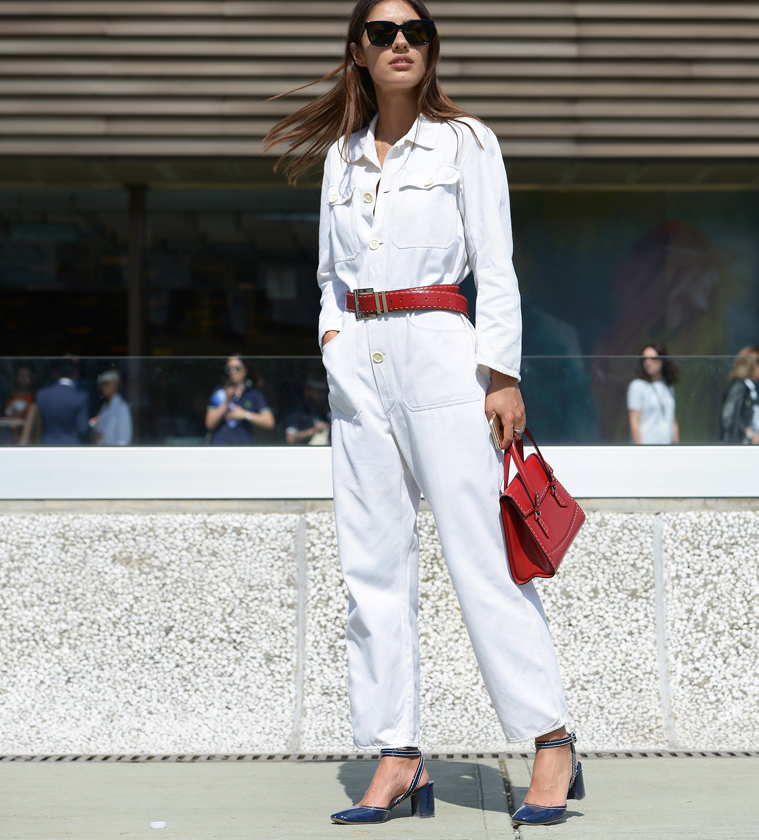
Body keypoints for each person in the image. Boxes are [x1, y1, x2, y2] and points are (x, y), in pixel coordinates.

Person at [264, 0, 580, 828]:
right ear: (358, 52)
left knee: (483, 556)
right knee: (370, 567)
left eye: (416, 32)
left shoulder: (466, 141)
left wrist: (501, 375)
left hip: (442, 352)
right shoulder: (340, 156)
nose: (401, 43)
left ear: (432, 48)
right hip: (359, 364)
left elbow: (497, 265)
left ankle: (550, 739)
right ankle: (397, 755)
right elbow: (329, 275)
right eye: (383, 33)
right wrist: (334, 343)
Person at [205, 355, 275, 445]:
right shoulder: (219, 392)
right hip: (220, 446)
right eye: (228, 369)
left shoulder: (253, 393)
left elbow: (269, 422)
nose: (232, 372)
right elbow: (209, 424)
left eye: (237, 368)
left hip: (243, 447)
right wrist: (227, 402)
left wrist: (244, 414)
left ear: (245, 370)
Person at [626, 344, 679, 445]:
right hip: (647, 448)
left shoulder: (668, 386)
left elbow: (673, 421)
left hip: (667, 448)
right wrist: (640, 448)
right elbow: (634, 421)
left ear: (662, 360)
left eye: (653, 358)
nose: (648, 362)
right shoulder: (638, 386)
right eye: (644, 359)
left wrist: (677, 446)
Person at [35, 359, 91, 445]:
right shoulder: (80, 398)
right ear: (76, 374)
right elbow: (83, 429)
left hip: (47, 446)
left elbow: (37, 424)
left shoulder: (42, 394)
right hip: (71, 447)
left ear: (56, 374)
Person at [0, 363, 37, 445]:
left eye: (27, 376)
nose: (24, 379)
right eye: (21, 376)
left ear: (32, 378)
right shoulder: (6, 398)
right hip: (5, 441)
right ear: (16, 377)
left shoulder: (35, 399)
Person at [90, 369, 132, 446]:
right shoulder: (104, 407)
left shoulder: (122, 407)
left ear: (115, 384)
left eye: (106, 384)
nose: (102, 387)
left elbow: (123, 440)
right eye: (101, 385)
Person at [285, 377, 331, 445]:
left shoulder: (326, 412)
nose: (322, 396)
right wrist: (314, 430)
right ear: (309, 392)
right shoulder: (297, 412)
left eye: (324, 393)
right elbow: (290, 438)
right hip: (304, 449)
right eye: (319, 392)